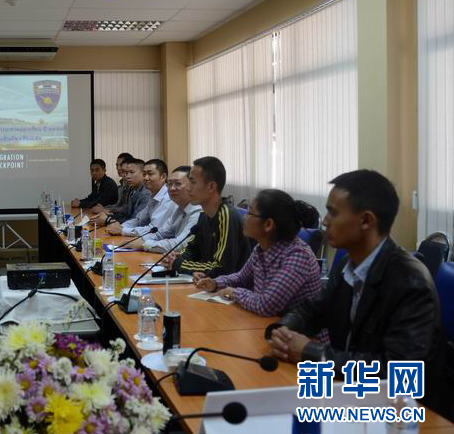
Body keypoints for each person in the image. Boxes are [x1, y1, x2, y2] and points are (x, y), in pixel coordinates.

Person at [266, 170, 447, 413]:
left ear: (366, 221)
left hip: (403, 413)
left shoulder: (410, 281)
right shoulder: (348, 264)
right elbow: (313, 310)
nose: (325, 221)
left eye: (333, 212)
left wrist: (311, 353)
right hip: (350, 393)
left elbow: (401, 374)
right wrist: (284, 331)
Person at [194, 189, 322, 317]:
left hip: (292, 328)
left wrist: (234, 293)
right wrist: (215, 283)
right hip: (266, 322)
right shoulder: (261, 248)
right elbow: (241, 278)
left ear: (268, 224)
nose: (244, 217)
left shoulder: (298, 256)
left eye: (250, 213)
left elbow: (266, 305)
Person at [168, 157, 250, 277]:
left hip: (230, 286)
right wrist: (176, 258)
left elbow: (222, 268)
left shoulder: (226, 215)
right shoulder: (204, 214)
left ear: (211, 187)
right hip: (205, 282)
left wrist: (178, 264)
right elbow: (192, 250)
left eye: (193, 182)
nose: (188, 188)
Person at [131, 166, 202, 253]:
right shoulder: (178, 208)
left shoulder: (198, 211)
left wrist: (145, 244)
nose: (171, 188)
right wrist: (140, 240)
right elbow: (161, 233)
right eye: (169, 184)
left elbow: (181, 245)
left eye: (177, 184)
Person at [107, 159, 172, 237]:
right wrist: (121, 227)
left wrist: (122, 230)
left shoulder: (168, 198)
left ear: (163, 177)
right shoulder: (153, 195)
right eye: (144, 174)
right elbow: (139, 220)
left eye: (150, 174)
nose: (146, 178)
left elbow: (153, 229)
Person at [91, 158, 150, 226]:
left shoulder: (146, 194)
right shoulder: (132, 189)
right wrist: (107, 215)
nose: (127, 176)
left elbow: (135, 221)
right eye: (126, 173)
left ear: (143, 174)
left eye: (132, 172)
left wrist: (107, 220)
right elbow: (125, 212)